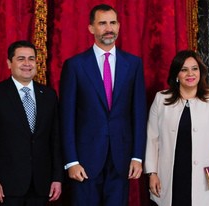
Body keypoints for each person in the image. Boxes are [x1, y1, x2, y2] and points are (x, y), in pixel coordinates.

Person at [59, 4, 147, 206]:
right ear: (91, 28)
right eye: (102, 23)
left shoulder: (133, 64)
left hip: (121, 159)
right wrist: (71, 161)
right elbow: (67, 117)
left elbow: (139, 114)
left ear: (119, 26)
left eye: (113, 22)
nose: (109, 28)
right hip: (84, 162)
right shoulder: (75, 65)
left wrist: (137, 157)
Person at [144, 50, 209, 206]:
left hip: (206, 175)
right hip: (171, 174)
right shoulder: (161, 99)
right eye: (184, 69)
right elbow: (152, 138)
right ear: (177, 74)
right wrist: (152, 173)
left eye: (194, 68)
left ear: (200, 72)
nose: (190, 74)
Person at [0, 40, 63, 206]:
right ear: (9, 63)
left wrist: (57, 178)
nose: (27, 64)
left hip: (41, 185)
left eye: (31, 59)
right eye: (21, 59)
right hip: (5, 186)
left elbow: (55, 140)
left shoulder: (49, 95)